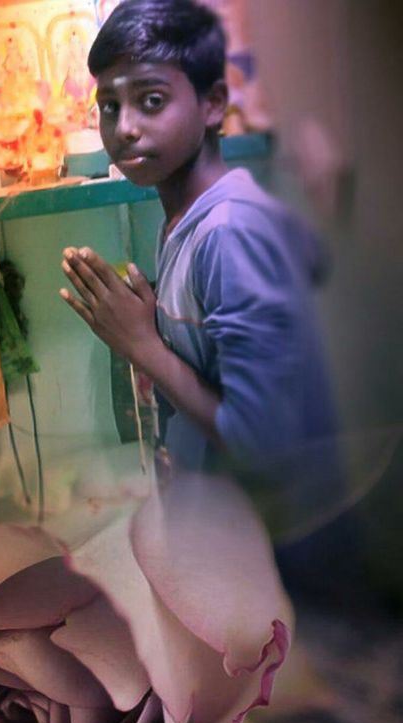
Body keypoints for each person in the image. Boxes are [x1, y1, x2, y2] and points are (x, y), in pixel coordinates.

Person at [59, 0, 339, 500]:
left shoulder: (229, 233)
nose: (124, 128)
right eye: (110, 106)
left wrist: (142, 346)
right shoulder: (184, 222)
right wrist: (151, 331)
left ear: (212, 104)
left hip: (274, 533)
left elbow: (263, 446)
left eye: (151, 100)